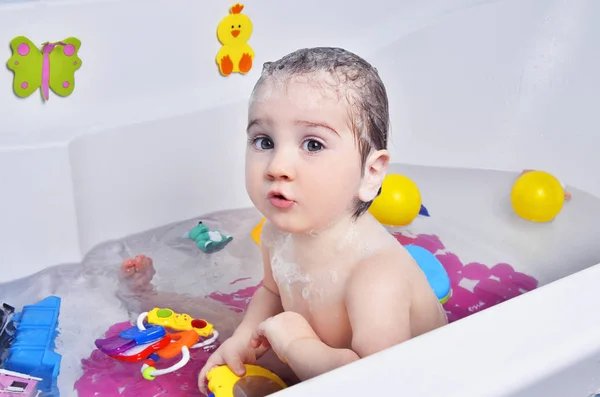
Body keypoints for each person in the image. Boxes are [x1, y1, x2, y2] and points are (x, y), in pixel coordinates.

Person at [196, 47, 448, 395]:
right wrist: (244, 337)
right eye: (264, 141)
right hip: (326, 352)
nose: (276, 167)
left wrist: (296, 343)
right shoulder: (276, 233)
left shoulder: (375, 276)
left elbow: (376, 385)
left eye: (312, 144)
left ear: (370, 173)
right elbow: (272, 291)